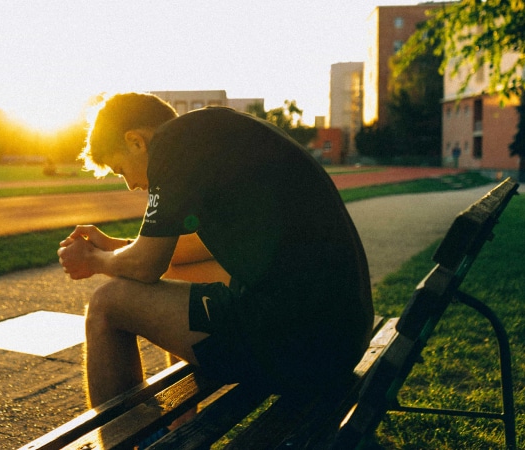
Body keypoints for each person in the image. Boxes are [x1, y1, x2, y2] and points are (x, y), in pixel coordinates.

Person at [57, 92, 374, 409]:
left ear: (136, 141)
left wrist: (95, 261)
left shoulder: (170, 145)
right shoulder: (212, 134)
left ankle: (128, 442)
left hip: (301, 347)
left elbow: (146, 266)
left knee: (106, 304)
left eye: (120, 169)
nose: (131, 184)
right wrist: (115, 247)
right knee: (180, 274)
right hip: (342, 334)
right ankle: (182, 425)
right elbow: (185, 252)